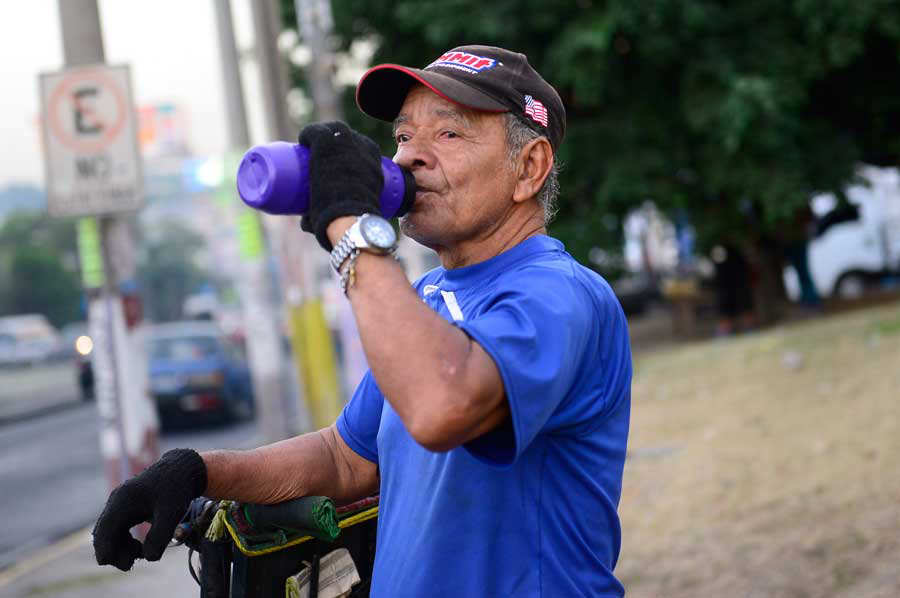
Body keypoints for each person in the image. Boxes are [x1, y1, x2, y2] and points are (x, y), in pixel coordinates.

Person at [92, 45, 632, 597]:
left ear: (529, 167)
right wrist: (198, 471)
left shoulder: (559, 295)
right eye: (402, 137)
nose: (409, 159)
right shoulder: (424, 298)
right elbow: (345, 457)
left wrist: (350, 227)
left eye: (448, 135)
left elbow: (443, 407)